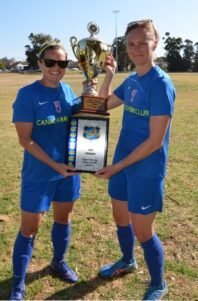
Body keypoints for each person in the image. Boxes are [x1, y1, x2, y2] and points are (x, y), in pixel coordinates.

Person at [95, 19, 175, 300]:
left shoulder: (161, 84)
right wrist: (108, 75)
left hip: (145, 168)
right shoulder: (131, 81)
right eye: (131, 44)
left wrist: (117, 166)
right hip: (121, 164)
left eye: (143, 42)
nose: (137, 48)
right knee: (120, 216)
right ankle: (127, 261)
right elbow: (102, 106)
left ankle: (158, 283)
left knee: (144, 230)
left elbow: (154, 142)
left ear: (155, 43)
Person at [9, 43, 81, 300]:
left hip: (68, 172)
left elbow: (89, 113)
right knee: (30, 228)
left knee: (64, 219)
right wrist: (54, 165)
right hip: (40, 174)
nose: (55, 68)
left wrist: (103, 78)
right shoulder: (27, 94)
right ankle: (18, 284)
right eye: (50, 62)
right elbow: (24, 140)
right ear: (40, 63)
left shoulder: (68, 90)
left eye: (61, 64)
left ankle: (58, 263)